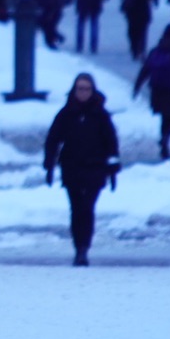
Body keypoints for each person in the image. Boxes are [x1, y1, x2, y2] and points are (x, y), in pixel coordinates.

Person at [44, 74, 120, 266]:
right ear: (74, 90)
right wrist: (50, 164)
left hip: (95, 168)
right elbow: (53, 139)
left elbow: (111, 142)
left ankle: (84, 248)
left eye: (86, 89)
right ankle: (79, 247)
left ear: (92, 90)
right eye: (80, 88)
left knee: (87, 208)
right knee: (77, 209)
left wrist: (112, 167)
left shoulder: (101, 115)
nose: (83, 92)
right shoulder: (66, 114)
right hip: (72, 168)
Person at [134, 28, 170, 161]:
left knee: (165, 116)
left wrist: (137, 86)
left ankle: (164, 140)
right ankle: (165, 139)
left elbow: (145, 69)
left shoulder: (156, 50)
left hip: (156, 89)